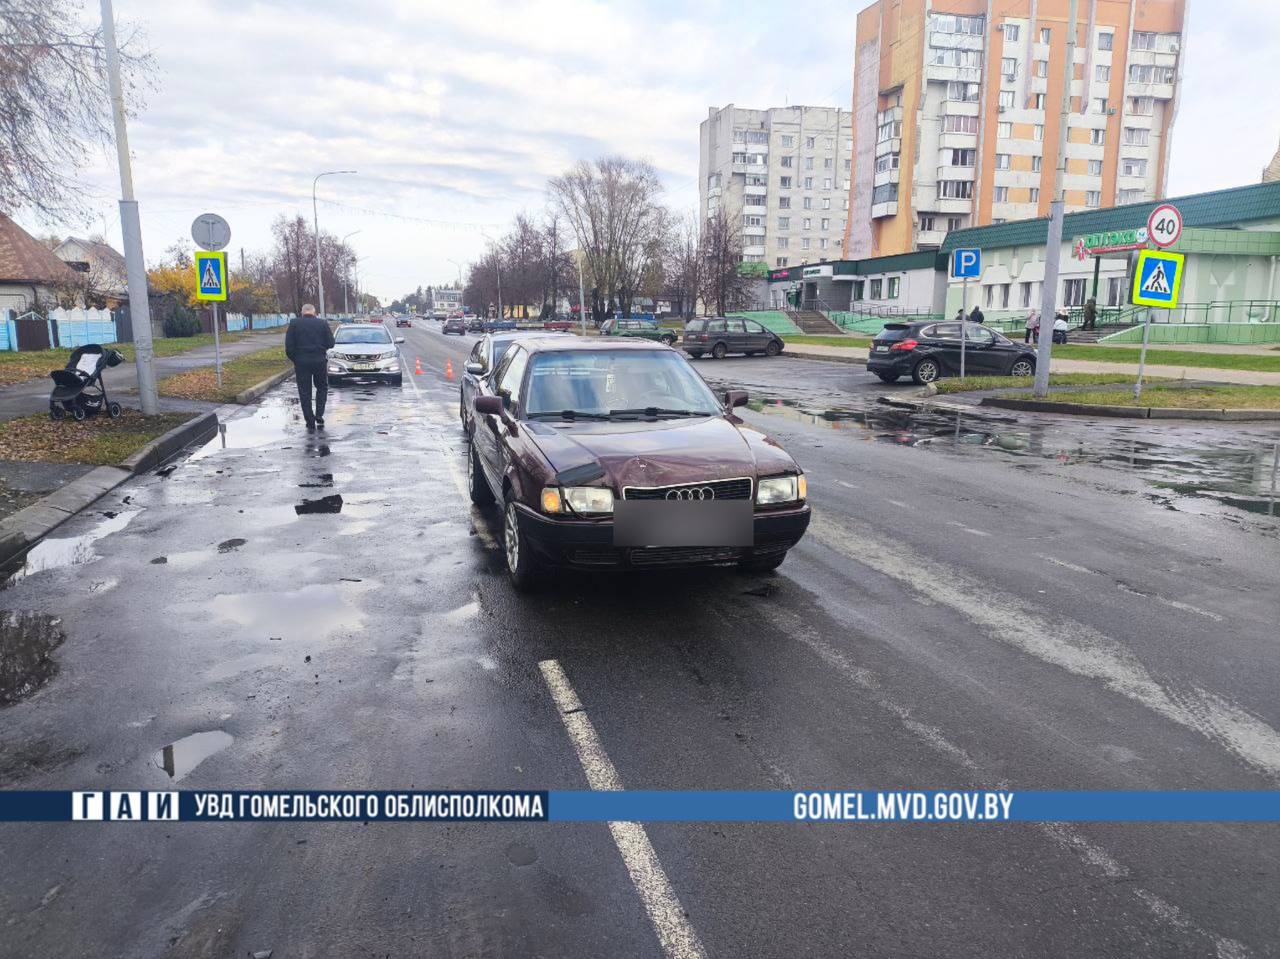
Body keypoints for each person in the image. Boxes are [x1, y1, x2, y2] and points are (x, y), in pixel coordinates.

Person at [285, 303, 334, 430]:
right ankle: (319, 415)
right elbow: (331, 343)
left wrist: (296, 359)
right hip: (319, 361)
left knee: (304, 392)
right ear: (314, 312)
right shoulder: (322, 323)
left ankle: (309, 420)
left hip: (301, 362)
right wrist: (321, 349)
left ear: (302, 312)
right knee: (322, 387)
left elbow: (289, 346)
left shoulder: (294, 323)